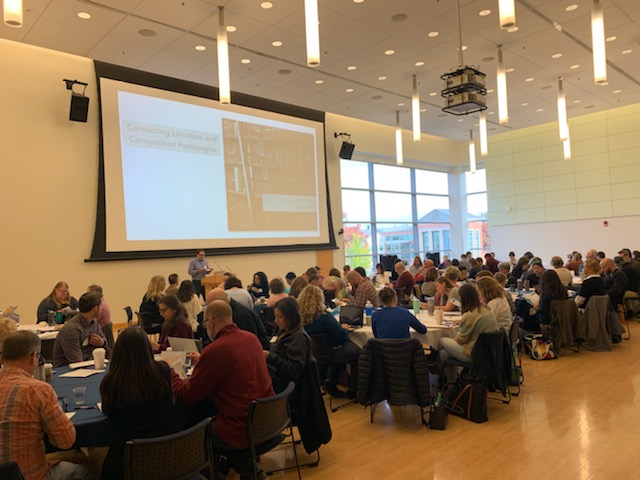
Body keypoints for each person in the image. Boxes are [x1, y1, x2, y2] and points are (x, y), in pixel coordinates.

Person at [171, 300, 274, 480]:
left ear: (211, 322)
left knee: (193, 440)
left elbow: (186, 395)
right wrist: (203, 361)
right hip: (266, 420)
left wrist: (171, 372)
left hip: (239, 428)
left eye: (205, 324)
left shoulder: (215, 350)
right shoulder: (251, 339)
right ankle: (250, 470)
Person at [0, 331, 91, 480]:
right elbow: (66, 441)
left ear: (2, 358)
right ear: (33, 358)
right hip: (28, 475)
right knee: (84, 471)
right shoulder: (38, 390)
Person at [100, 327, 183, 480]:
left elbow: (108, 412)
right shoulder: (163, 371)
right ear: (147, 349)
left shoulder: (111, 382)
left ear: (118, 352)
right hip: (168, 454)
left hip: (128, 462)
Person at [299, 286, 360, 399]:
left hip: (309, 355)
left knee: (337, 350)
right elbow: (340, 336)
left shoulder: (299, 318)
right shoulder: (324, 317)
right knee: (357, 351)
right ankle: (353, 389)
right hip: (330, 354)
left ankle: (330, 382)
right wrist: (343, 329)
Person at [438, 284, 498, 382]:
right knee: (444, 353)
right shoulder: (485, 309)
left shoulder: (469, 316)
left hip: (473, 354)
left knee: (442, 340)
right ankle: (450, 381)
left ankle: (440, 371)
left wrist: (453, 338)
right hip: (488, 352)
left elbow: (461, 340)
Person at [264, 297, 312, 394]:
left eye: (280, 317)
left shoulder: (297, 338)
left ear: (291, 316)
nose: (275, 321)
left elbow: (295, 371)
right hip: (275, 377)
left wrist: (271, 357)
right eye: (275, 317)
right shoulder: (283, 331)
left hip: (285, 387)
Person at [52, 292, 108, 367]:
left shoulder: (93, 322)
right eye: (101, 305)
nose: (102, 308)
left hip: (90, 364)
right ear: (95, 308)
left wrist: (102, 343)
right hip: (68, 369)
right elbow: (76, 362)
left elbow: (105, 343)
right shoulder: (72, 329)